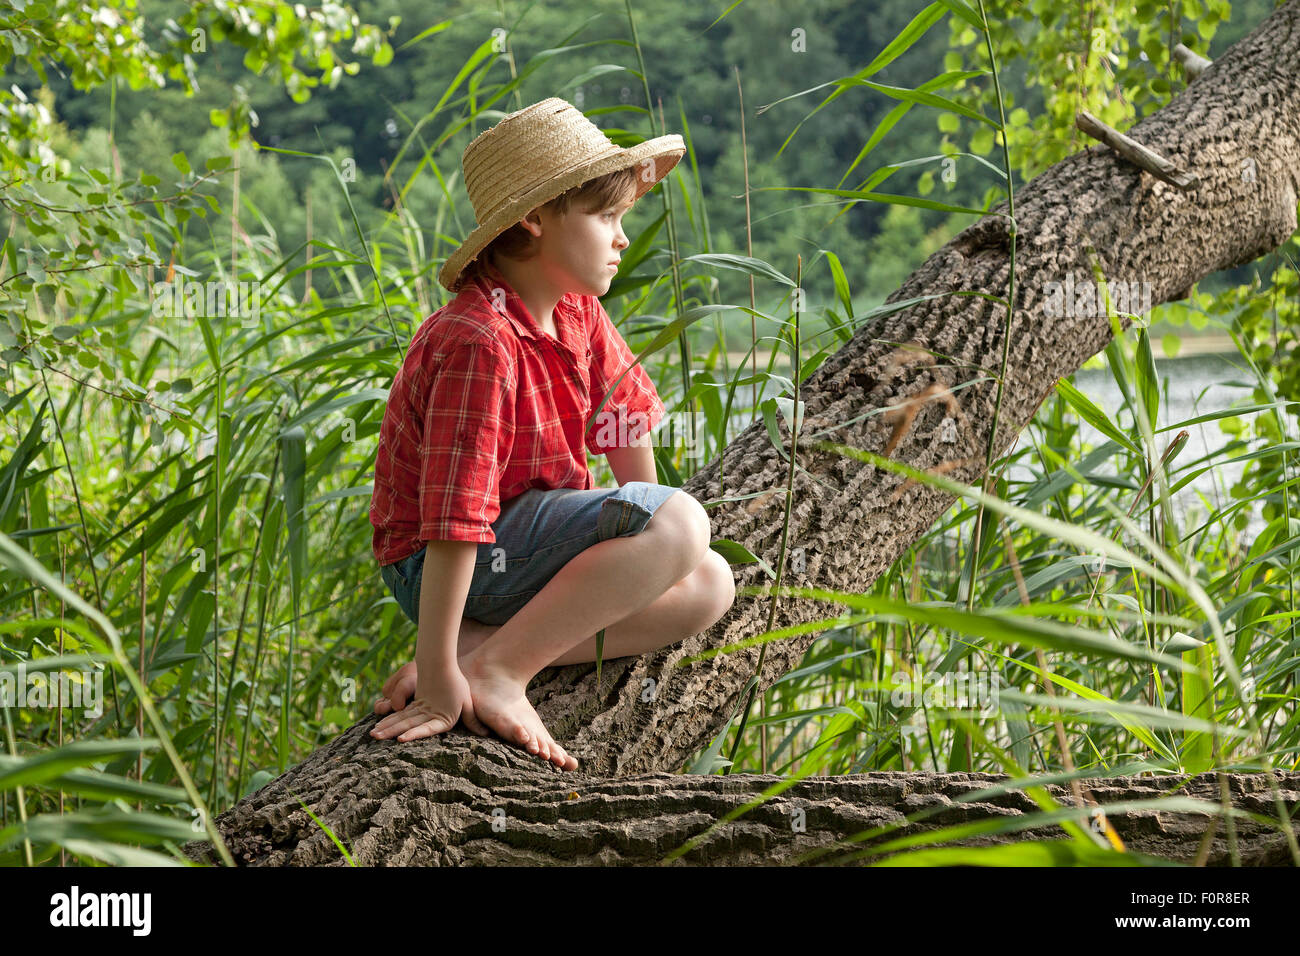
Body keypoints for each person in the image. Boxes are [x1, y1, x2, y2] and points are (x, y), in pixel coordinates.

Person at [367, 98, 736, 771]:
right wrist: (437, 669)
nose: (622, 238)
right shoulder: (478, 339)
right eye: (605, 217)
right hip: (442, 561)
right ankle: (497, 670)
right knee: (683, 524)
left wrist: (653, 558)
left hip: (518, 550)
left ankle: (482, 647)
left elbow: (624, 424)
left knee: (708, 582)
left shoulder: (577, 312)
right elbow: (453, 520)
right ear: (534, 221)